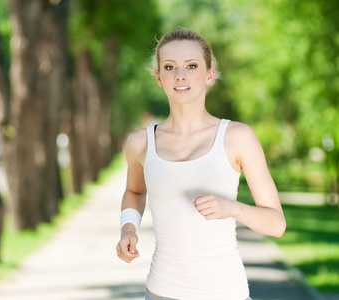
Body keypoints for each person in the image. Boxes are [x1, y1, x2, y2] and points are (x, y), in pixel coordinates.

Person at [115, 27, 286, 300]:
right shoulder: (140, 142)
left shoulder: (238, 137)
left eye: (191, 66)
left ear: (210, 74)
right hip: (161, 291)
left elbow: (276, 224)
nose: (180, 75)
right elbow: (135, 191)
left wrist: (232, 208)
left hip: (226, 292)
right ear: (159, 77)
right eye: (169, 67)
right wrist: (128, 228)